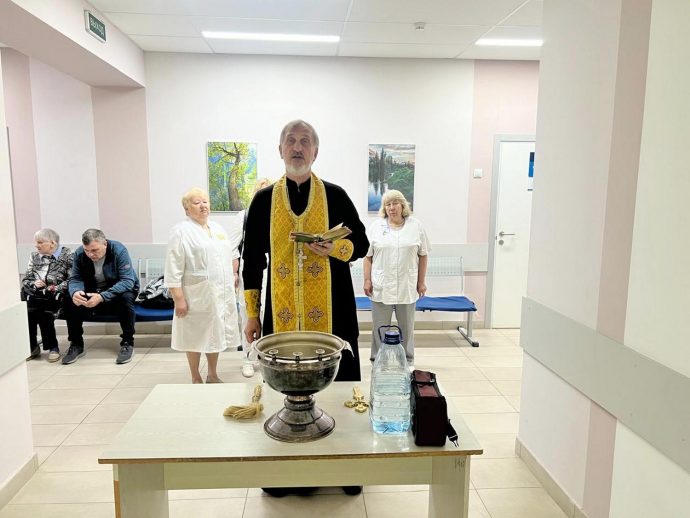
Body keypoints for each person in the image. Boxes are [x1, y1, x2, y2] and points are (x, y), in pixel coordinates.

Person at [242, 119, 369, 497]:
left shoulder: (336, 195)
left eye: (305, 142)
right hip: (281, 314)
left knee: (342, 391)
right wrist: (252, 313)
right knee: (285, 393)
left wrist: (335, 248)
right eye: (291, 141)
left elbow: (361, 244)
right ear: (280, 149)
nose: (297, 148)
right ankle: (287, 472)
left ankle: (346, 467)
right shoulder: (263, 200)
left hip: (335, 312)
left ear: (316, 151)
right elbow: (251, 260)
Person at [165, 188, 241, 384]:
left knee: (215, 333)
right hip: (195, 294)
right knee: (195, 335)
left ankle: (213, 374)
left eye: (205, 202)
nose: (203, 206)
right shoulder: (181, 231)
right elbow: (173, 267)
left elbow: (229, 256)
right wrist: (178, 298)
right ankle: (195, 376)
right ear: (186, 209)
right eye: (197, 202)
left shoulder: (217, 229)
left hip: (219, 293)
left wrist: (233, 276)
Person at [363, 189, 430, 366]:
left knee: (407, 328)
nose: (391, 208)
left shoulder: (416, 226)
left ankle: (408, 361)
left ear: (402, 206)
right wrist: (367, 280)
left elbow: (423, 255)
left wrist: (421, 282)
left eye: (395, 203)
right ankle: (378, 361)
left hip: (407, 285)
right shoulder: (376, 227)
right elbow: (368, 256)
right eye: (388, 204)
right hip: (381, 285)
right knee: (379, 327)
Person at [63, 229, 139, 365]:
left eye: (94, 250)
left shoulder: (118, 250)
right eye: (87, 250)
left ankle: (127, 342)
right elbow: (75, 278)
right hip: (93, 290)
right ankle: (76, 344)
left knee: (126, 298)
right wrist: (75, 292)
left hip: (118, 289)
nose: (90, 254)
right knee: (70, 299)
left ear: (105, 244)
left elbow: (127, 281)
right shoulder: (79, 253)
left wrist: (102, 296)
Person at [231, 178, 273, 378]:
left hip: (272, 273)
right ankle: (248, 359)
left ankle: (266, 358)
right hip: (249, 273)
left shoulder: (278, 215)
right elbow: (233, 248)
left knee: (267, 316)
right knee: (249, 315)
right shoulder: (244, 216)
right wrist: (234, 272)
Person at [21, 229, 72, 362]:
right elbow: (27, 278)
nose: (36, 245)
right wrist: (33, 283)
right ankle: (33, 346)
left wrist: (52, 287)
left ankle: (52, 347)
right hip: (36, 295)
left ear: (52, 243)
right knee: (27, 312)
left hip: (57, 296)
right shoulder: (34, 256)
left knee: (43, 311)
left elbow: (72, 280)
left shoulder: (67, 255)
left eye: (40, 242)